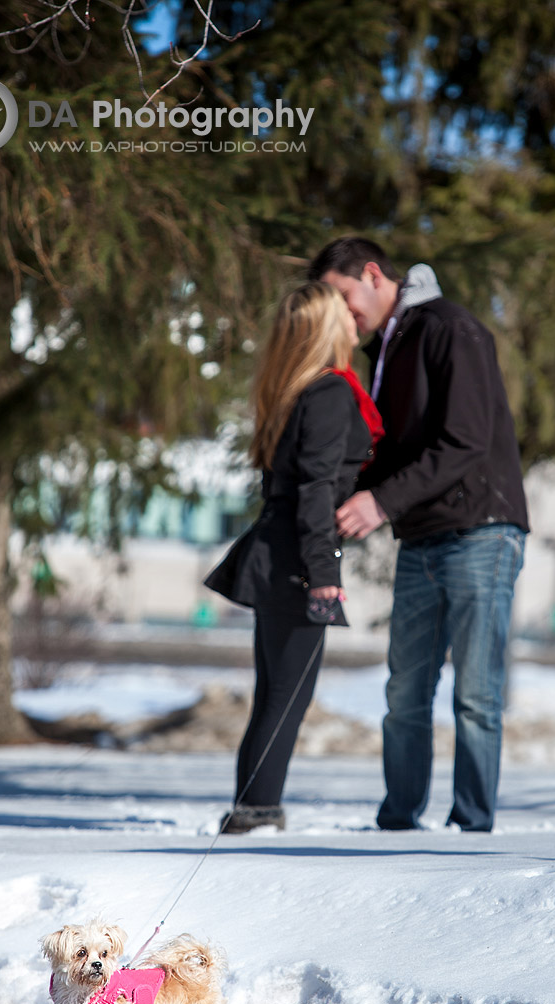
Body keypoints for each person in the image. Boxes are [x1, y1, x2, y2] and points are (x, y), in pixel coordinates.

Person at [308, 237, 529, 833]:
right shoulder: (385, 348)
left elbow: (465, 440)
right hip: (423, 537)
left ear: (373, 275)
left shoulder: (449, 329)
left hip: (482, 530)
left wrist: (378, 502)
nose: (343, 314)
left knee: (476, 697)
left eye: (344, 297)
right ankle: (398, 820)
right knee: (405, 693)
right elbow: (390, 452)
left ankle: (471, 826)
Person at [204, 281, 383, 834]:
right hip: (294, 561)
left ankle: (256, 805)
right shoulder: (328, 392)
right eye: (345, 316)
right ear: (327, 329)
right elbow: (314, 488)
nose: (357, 322)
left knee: (278, 692)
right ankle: (255, 810)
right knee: (285, 694)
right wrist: (323, 573)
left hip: (281, 552)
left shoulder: (296, 390)